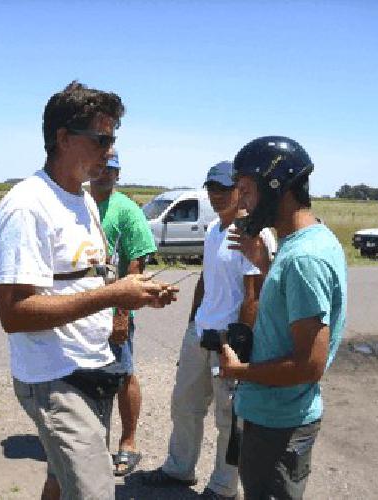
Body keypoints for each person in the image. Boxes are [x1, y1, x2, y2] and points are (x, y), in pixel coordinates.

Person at [0, 80, 178, 500]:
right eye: (101, 139)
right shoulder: (28, 205)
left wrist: (137, 291)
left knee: (60, 480)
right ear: (62, 138)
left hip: (93, 366)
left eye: (112, 139)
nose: (110, 150)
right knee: (94, 492)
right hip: (55, 376)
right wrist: (113, 297)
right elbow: (14, 314)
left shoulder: (85, 200)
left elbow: (92, 280)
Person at [138, 161, 278, 499]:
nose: (216, 195)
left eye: (223, 188)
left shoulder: (253, 233)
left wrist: (241, 344)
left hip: (228, 341)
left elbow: (254, 296)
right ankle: (179, 468)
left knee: (229, 419)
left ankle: (223, 486)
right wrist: (191, 323)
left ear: (239, 191)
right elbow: (205, 280)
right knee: (184, 405)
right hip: (200, 333)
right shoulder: (215, 228)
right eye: (211, 188)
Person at [218, 136, 348, 499]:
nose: (240, 201)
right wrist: (264, 263)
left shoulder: (303, 259)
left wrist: (238, 372)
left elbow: (309, 364)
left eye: (245, 189)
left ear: (276, 187)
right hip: (271, 415)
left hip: (279, 425)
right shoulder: (305, 245)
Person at [87, 147, 158, 477]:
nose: (104, 173)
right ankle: (91, 443)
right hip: (81, 309)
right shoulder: (78, 203)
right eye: (99, 167)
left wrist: (122, 315)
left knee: (123, 373)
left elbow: (136, 265)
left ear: (118, 173)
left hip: (113, 310)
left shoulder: (127, 210)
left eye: (110, 169)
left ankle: (128, 443)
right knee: (84, 375)